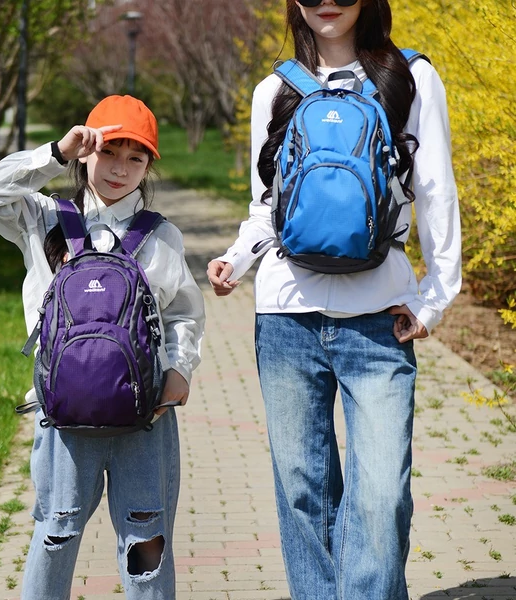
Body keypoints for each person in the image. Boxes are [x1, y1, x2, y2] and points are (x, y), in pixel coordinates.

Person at [207, 1, 461, 598]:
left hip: (379, 321)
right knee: (303, 497)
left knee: (380, 500)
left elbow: (436, 192)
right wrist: (236, 261)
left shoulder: (410, 77)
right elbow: (268, 205)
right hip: (285, 319)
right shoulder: (275, 88)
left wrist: (434, 299)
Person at [0, 95, 205, 600]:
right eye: (108, 152)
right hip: (61, 413)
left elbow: (183, 312)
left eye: (135, 158)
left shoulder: (161, 236)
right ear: (86, 153)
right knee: (55, 532)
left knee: (146, 541)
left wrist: (181, 370)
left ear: (147, 168)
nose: (120, 169)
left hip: (145, 414)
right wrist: (55, 152)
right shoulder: (44, 219)